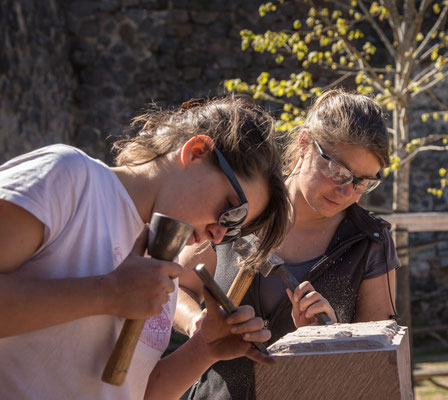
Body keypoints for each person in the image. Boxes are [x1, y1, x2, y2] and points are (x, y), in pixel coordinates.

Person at [0, 96, 291, 400]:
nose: (218, 235)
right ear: (196, 151)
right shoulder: (70, 180)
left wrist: (204, 349)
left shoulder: (162, 265)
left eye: (234, 229)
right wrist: (105, 294)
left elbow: (130, 392)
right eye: (231, 210)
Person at [173, 89, 402, 399]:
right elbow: (175, 286)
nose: (347, 191)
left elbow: (376, 361)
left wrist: (333, 339)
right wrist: (196, 323)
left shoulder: (370, 241)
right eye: (337, 171)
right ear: (305, 143)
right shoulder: (241, 208)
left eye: (363, 181)